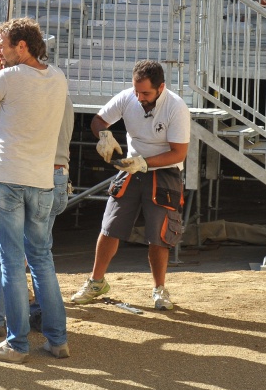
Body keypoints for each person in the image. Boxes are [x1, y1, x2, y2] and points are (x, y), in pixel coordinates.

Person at [0, 18, 70, 363]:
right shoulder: (58, 77)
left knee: (12, 264)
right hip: (42, 181)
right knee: (42, 261)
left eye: (5, 46)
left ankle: (17, 344)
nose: (2, 52)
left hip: (9, 179)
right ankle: (57, 340)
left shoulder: (8, 76)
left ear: (21, 46)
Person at [71, 59, 190, 311]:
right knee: (110, 226)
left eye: (145, 92)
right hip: (130, 169)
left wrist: (144, 163)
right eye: (136, 91)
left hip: (164, 172)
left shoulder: (176, 107)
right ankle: (96, 282)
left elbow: (178, 153)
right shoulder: (128, 97)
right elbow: (98, 120)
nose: (139, 97)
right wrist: (104, 135)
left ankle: (159, 289)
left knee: (159, 235)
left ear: (161, 87)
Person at [0, 92, 74, 340]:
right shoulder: (61, 91)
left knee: (0, 254)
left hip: (18, 176)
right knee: (40, 257)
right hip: (56, 175)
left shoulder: (18, 89)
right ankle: (49, 326)